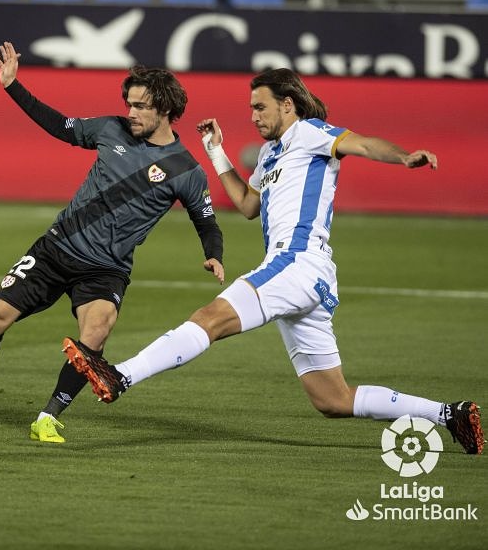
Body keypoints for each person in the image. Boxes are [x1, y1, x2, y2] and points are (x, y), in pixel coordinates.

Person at [64, 68, 483, 455]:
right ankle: (450, 414)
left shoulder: (310, 132)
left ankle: (120, 376)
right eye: (251, 108)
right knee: (332, 399)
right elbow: (248, 205)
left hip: (297, 261)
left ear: (287, 104)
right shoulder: (269, 154)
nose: (254, 116)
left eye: (260, 107)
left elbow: (365, 143)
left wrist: (403, 156)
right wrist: (216, 152)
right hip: (307, 278)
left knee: (210, 319)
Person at [0, 41, 225, 443]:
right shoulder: (110, 129)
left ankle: (48, 416)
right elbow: (59, 125)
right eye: (129, 104)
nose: (131, 113)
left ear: (166, 109)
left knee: (96, 332)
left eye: (140, 106)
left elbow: (206, 221)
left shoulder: (186, 170)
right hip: (56, 249)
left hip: (106, 268)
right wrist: (13, 86)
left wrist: (213, 254)